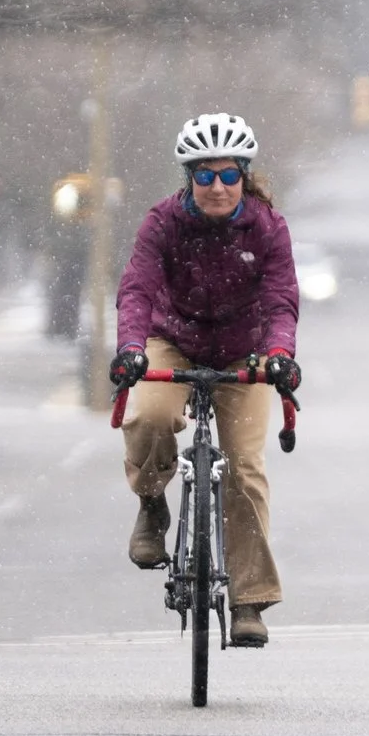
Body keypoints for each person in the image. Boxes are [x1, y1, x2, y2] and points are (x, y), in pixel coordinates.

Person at [109, 112, 302, 648]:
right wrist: (130, 349)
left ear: (244, 175)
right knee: (150, 415)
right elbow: (137, 290)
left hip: (244, 350)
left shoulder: (267, 228)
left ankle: (249, 600)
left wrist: (280, 354)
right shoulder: (162, 223)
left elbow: (281, 299)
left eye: (228, 174)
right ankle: (152, 506)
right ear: (188, 177)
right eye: (204, 175)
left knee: (243, 471)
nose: (217, 186)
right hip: (173, 340)